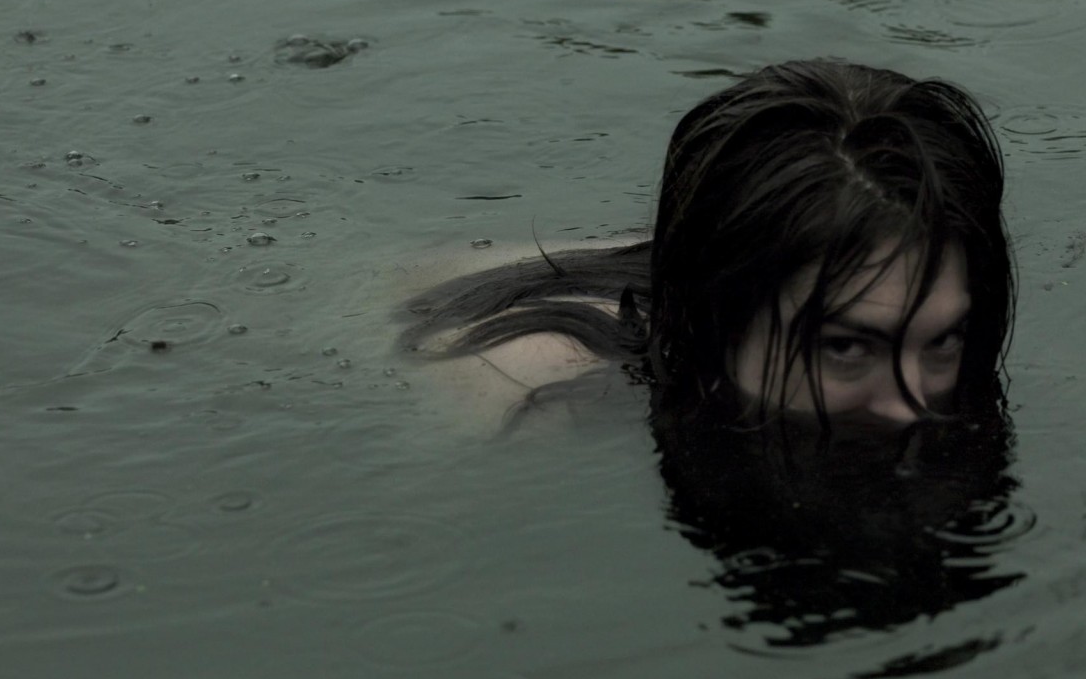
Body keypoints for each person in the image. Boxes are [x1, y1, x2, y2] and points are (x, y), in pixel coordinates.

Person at [399, 58, 1016, 438]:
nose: (912, 407)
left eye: (944, 341)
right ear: (717, 320)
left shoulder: (796, 269)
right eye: (847, 347)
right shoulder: (525, 387)